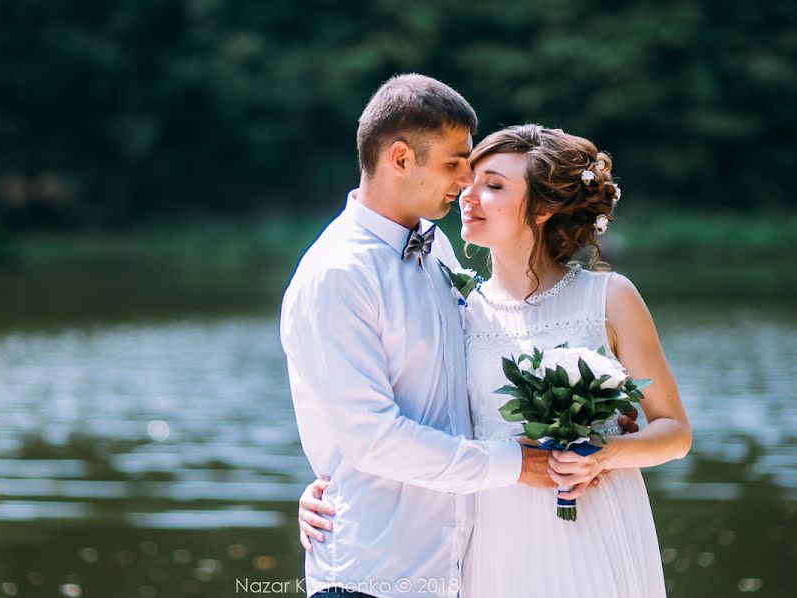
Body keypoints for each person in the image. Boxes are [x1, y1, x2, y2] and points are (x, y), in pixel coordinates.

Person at [298, 124, 691, 598]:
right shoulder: (460, 305)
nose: (469, 193)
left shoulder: (609, 297)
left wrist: (606, 455)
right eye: (471, 178)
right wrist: (336, 483)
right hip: (491, 534)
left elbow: (674, 433)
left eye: (495, 186)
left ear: (542, 210)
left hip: (594, 518)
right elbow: (394, 405)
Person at [280, 75, 572, 598]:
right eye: (454, 163)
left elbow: (473, 373)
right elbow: (373, 440)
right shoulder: (336, 275)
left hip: (453, 569)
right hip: (372, 573)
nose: (467, 180)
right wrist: (513, 465)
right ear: (399, 159)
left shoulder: (435, 247)